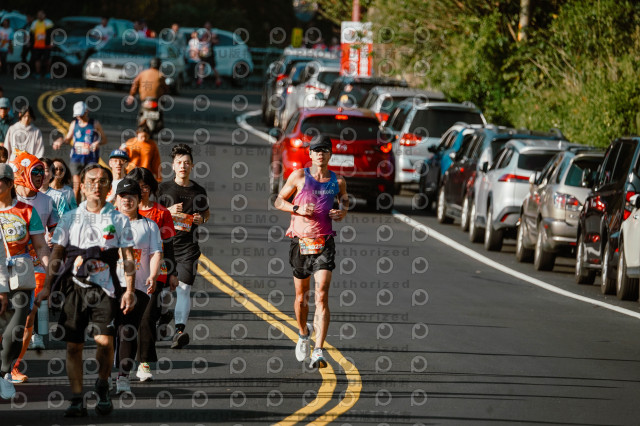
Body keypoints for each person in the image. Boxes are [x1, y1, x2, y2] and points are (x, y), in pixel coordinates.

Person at [36, 164, 136, 417]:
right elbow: (57, 253)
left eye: (102, 181)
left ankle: (102, 384)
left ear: (109, 187)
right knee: (73, 346)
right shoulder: (70, 217)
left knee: (105, 343)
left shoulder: (119, 219)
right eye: (91, 180)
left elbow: (128, 257)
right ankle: (77, 398)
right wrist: (47, 287)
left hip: (106, 290)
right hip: (75, 289)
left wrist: (130, 290)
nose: (96, 185)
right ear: (82, 186)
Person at [274, 135, 348, 369]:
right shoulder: (299, 176)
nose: (320, 154)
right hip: (301, 242)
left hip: (325, 242)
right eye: (316, 150)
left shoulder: (338, 181)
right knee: (301, 297)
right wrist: (297, 208)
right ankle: (304, 334)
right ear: (310, 154)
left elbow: (344, 201)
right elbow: (278, 201)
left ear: (330, 154)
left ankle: (318, 351)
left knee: (322, 294)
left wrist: (341, 211)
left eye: (324, 150)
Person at [0, 162, 49, 394]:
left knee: (16, 327)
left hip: (20, 274)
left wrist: (51, 271)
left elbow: (40, 246)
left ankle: (4, 370)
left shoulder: (26, 211)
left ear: (10, 183)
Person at [9, 152, 58, 383]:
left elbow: (56, 230)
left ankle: (13, 366)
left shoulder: (47, 201)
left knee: (27, 318)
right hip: (8, 267)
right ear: (21, 174)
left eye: (42, 172)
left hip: (36, 267)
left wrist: (55, 243)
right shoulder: (6, 199)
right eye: (35, 172)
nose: (41, 176)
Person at [127, 167, 178, 379]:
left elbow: (169, 245)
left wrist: (173, 272)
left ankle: (144, 363)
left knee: (147, 318)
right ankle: (122, 364)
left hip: (155, 273)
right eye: (137, 187)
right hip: (126, 274)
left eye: (145, 187)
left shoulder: (162, 213)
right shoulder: (120, 212)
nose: (142, 191)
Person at [158, 144, 209, 349]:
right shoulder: (162, 189)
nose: (183, 166)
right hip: (164, 247)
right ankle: (163, 315)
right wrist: (168, 211)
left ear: (192, 166)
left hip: (188, 248)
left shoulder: (198, 191)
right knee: (163, 293)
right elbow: (150, 213)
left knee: (184, 288)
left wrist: (201, 219)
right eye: (179, 163)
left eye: (187, 163)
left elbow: (206, 213)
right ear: (173, 166)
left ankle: (179, 331)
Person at [113, 178, 161, 394]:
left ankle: (123, 376)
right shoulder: (107, 223)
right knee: (109, 331)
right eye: (122, 196)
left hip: (138, 286)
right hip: (110, 286)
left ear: (139, 199)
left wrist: (153, 274)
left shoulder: (149, 226)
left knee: (127, 330)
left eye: (131, 196)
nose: (127, 200)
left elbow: (156, 252)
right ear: (116, 199)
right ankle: (105, 375)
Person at [53, 101, 108, 204]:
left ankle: (90, 206)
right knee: (77, 186)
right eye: (77, 115)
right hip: (76, 158)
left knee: (89, 185)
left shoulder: (94, 124)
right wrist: (60, 140)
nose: (79, 117)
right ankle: (76, 207)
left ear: (87, 112)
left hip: (91, 159)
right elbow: (68, 139)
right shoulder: (74, 124)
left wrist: (97, 143)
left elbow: (104, 139)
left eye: (81, 115)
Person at [30, 10, 54, 79]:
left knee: (47, 59)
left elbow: (52, 34)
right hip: (37, 45)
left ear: (44, 15)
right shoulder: (35, 23)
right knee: (37, 59)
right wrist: (30, 42)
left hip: (46, 45)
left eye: (41, 15)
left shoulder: (49, 23)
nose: (39, 16)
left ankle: (47, 72)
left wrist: (51, 43)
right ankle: (38, 73)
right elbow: (31, 34)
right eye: (38, 15)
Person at [199, 22, 221, 87]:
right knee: (202, 66)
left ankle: (218, 80)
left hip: (210, 53)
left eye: (208, 27)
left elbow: (217, 42)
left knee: (213, 67)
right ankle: (200, 80)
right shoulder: (202, 34)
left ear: (210, 27)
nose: (207, 28)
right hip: (203, 53)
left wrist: (210, 39)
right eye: (206, 27)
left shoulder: (213, 34)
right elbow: (199, 42)